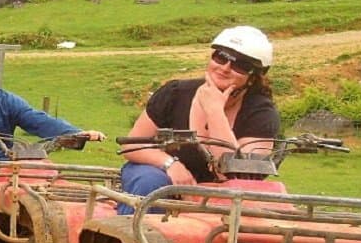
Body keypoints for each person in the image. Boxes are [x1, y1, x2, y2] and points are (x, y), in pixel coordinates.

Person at [117, 26, 280, 214]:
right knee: (151, 182)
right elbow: (131, 145)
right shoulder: (175, 94)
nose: (225, 67)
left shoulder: (260, 113)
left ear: (254, 77)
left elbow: (237, 175)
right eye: (220, 57)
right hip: (160, 173)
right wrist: (171, 164)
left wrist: (215, 111)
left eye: (240, 65)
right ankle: (135, 239)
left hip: (220, 193)